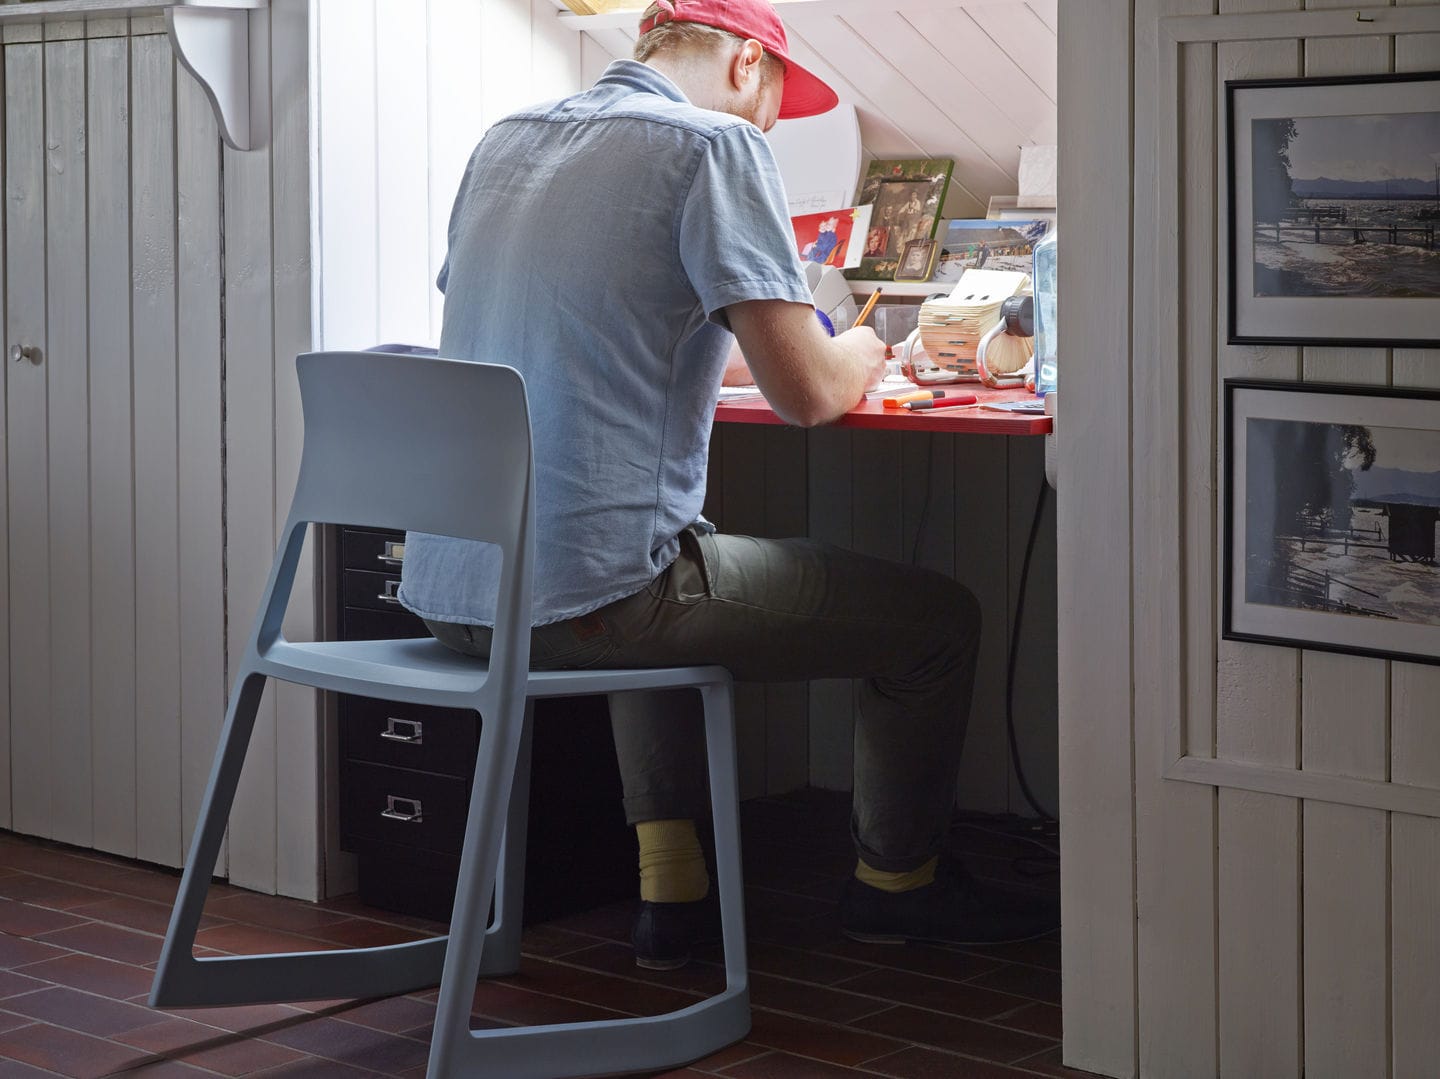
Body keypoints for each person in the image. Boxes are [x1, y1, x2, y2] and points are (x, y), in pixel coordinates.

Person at [398, 0, 1056, 970]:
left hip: (453, 590)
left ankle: (672, 890)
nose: (767, 131)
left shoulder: (509, 140)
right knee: (937, 621)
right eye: (773, 109)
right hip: (587, 602)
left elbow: (606, 333)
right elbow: (810, 394)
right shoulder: (713, 146)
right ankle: (898, 882)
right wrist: (863, 349)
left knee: (642, 553)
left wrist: (766, 353)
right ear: (747, 64)